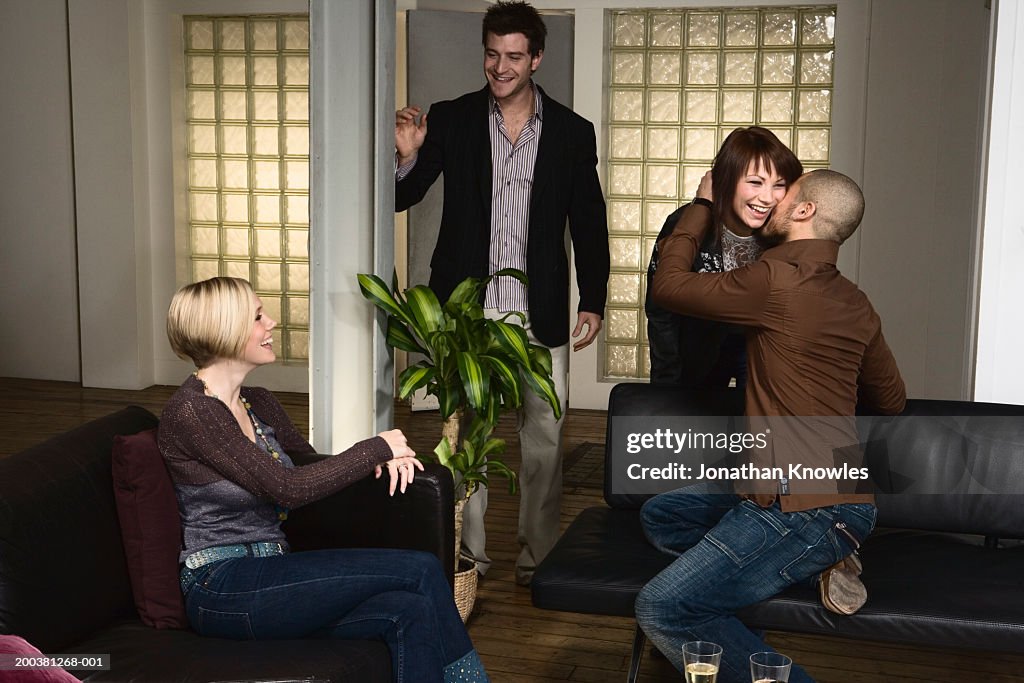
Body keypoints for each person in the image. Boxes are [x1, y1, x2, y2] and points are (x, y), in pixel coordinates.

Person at [637, 170, 906, 683]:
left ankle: (810, 554)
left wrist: (702, 205)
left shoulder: (773, 279)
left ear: (804, 212)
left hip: (802, 510)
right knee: (663, 515)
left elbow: (669, 285)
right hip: (837, 500)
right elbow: (891, 399)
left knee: (664, 608)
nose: (775, 199)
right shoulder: (857, 303)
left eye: (788, 192)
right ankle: (819, 561)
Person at [159, 276, 488, 683]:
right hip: (223, 586)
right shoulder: (193, 413)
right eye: (258, 316)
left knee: (410, 612)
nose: (272, 323)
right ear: (224, 329)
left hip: (275, 575)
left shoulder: (257, 402)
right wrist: (375, 449)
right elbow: (287, 488)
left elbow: (309, 468)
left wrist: (381, 461)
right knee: (419, 569)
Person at [394, 1, 609, 585]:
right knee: (469, 439)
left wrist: (592, 298)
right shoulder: (453, 118)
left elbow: (589, 221)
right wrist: (408, 156)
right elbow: (402, 198)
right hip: (467, 312)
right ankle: (472, 558)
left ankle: (537, 557)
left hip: (539, 310)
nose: (500, 66)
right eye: (492, 53)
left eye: (514, 56)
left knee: (544, 436)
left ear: (535, 58)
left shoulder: (570, 132)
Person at [645, 126, 802, 388]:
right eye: (755, 182)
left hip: (758, 345)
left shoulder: (785, 229)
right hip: (700, 345)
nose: (767, 198)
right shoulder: (687, 222)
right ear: (726, 180)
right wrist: (666, 382)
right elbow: (661, 311)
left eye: (779, 185)